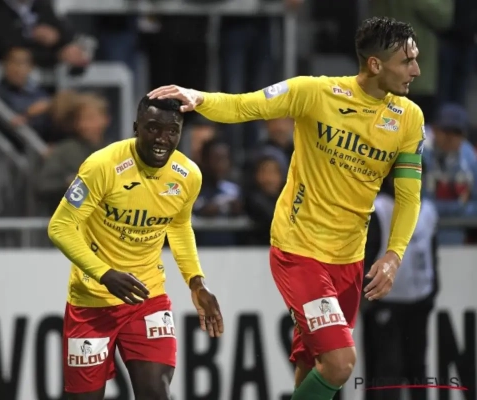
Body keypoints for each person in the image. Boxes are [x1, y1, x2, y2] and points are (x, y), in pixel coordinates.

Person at [149, 16, 425, 400]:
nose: (416, 70)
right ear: (376, 64)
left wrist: (394, 255)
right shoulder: (314, 93)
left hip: (349, 259)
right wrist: (199, 98)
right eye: (407, 61)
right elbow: (245, 106)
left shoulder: (409, 118)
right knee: (341, 363)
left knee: (313, 366)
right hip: (299, 251)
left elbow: (409, 195)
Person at [48, 96, 224, 400]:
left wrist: (196, 281)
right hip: (91, 302)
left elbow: (179, 226)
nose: (162, 139)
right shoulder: (102, 165)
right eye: (153, 128)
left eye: (172, 131)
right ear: (136, 127)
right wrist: (105, 274)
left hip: (147, 297)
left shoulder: (188, 175)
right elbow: (60, 226)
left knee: (155, 391)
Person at [362, 167, 439, 400]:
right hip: (386, 300)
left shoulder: (428, 210)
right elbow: (367, 253)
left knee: (417, 367)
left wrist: (432, 290)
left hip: (419, 299)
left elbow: (431, 253)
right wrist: (367, 296)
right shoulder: (379, 208)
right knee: (387, 369)